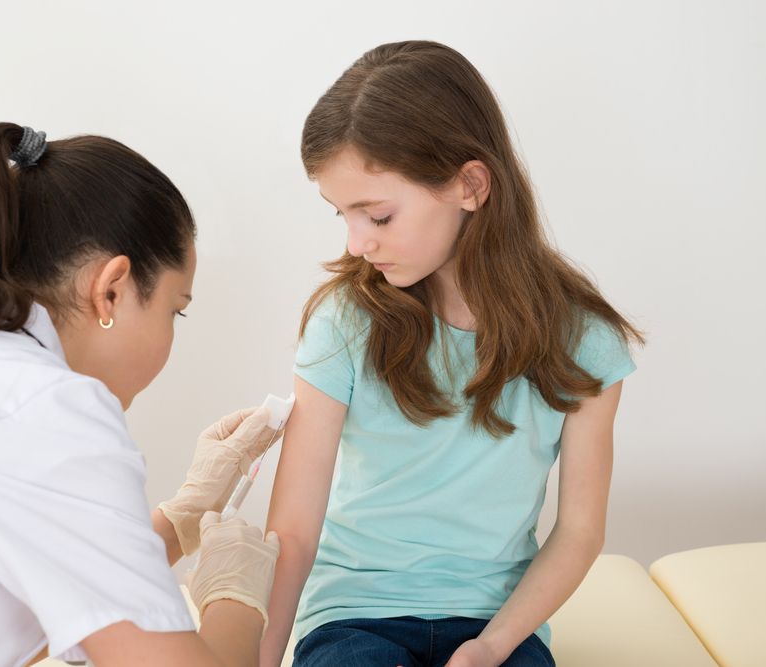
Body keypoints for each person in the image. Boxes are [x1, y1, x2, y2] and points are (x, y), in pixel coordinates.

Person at [261, 41, 645, 667]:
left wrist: (493, 646)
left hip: (498, 623)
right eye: (343, 216)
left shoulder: (585, 340)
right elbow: (294, 530)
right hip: (355, 617)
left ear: (470, 185)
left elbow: (578, 531)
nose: (358, 243)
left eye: (378, 216)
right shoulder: (345, 322)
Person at [0, 123, 279, 667]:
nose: (173, 334)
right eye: (176, 309)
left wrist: (185, 516)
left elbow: (44, 586)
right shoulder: (38, 405)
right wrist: (235, 599)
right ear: (112, 289)